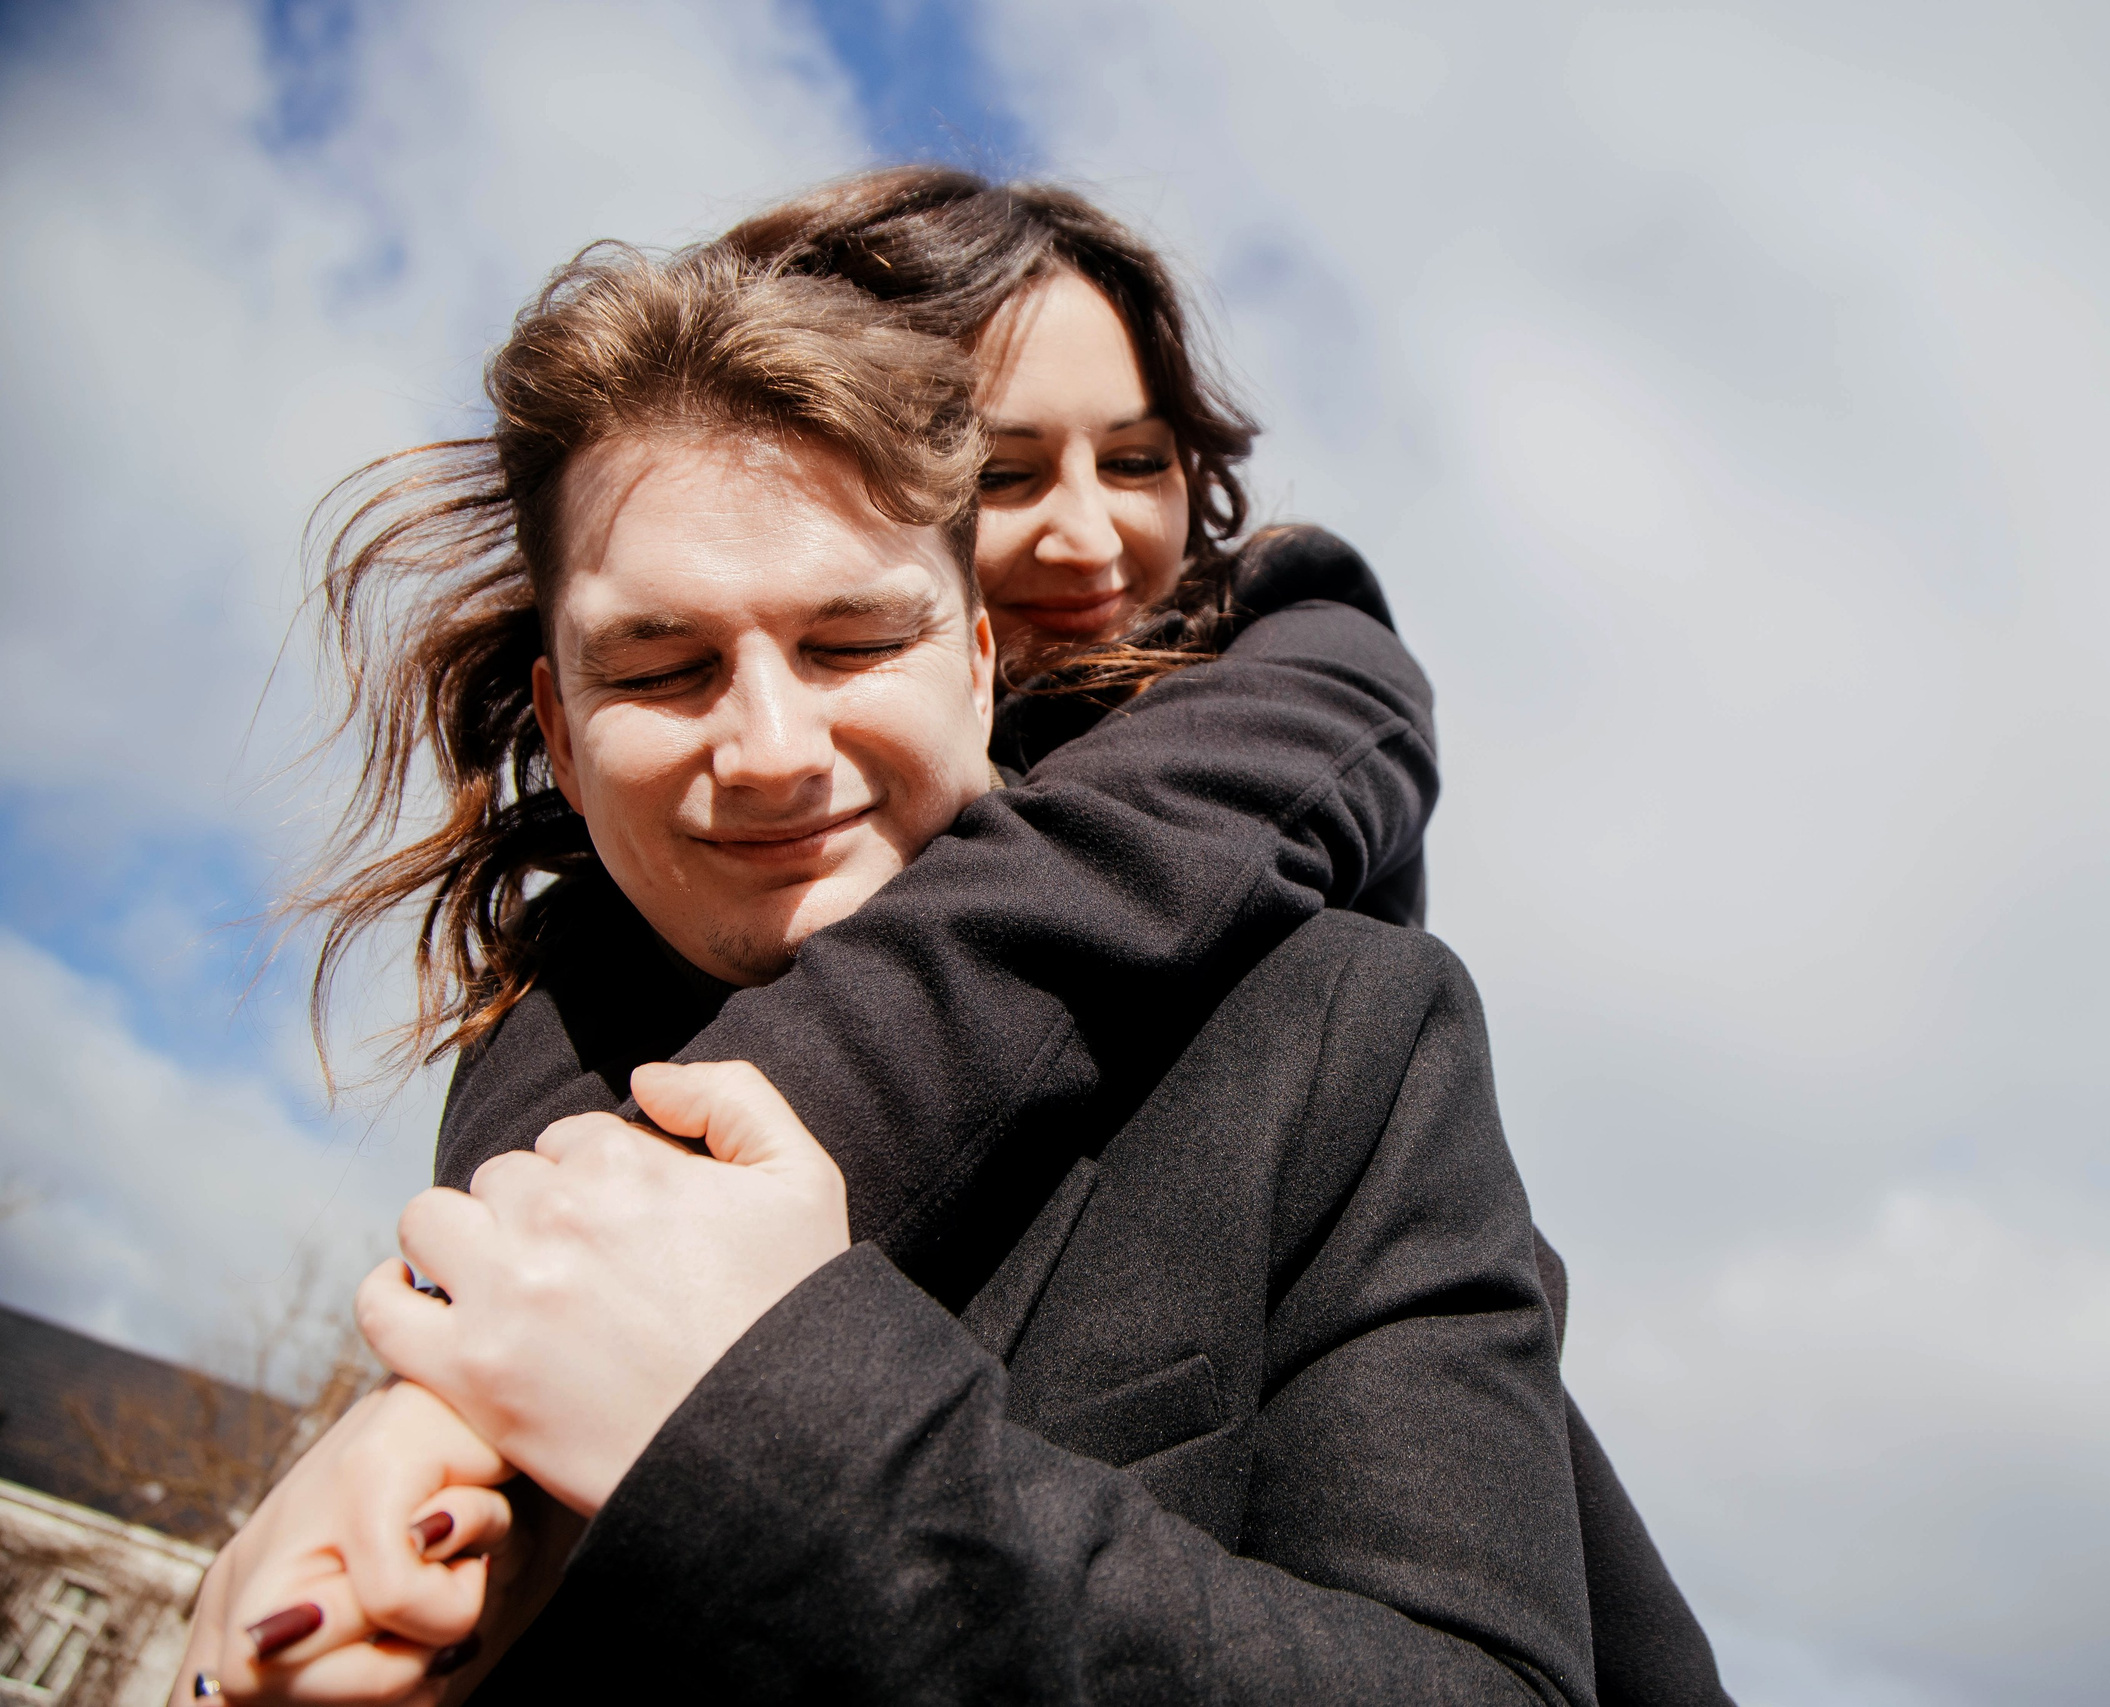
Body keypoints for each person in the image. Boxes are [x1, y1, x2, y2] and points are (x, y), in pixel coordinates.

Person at [189, 173, 1731, 1704]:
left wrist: (746, 1399)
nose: (1088, 535)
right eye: (1005, 467)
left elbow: (1038, 905)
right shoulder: (579, 1000)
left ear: (967, 647)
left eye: (1138, 459)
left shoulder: (1292, 729)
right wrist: (455, 1389)